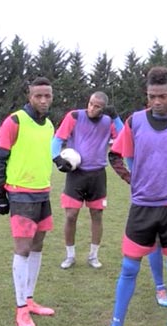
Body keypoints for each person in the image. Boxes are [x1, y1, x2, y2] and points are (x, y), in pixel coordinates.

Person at [94, 66, 167, 326]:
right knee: (129, 268)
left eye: (163, 96)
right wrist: (136, 180)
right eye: (152, 96)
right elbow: (119, 155)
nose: (157, 102)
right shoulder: (134, 122)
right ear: (147, 94)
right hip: (142, 206)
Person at [0, 77, 56, 326]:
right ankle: (20, 309)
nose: (43, 100)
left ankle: (30, 300)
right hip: (20, 194)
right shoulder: (15, 121)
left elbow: (42, 154)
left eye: (47, 96)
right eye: (38, 95)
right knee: (23, 249)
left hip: (43, 193)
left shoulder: (49, 124)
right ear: (30, 96)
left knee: (38, 246)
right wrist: (0, 194)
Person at [52, 91, 119, 269]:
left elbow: (123, 138)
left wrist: (116, 118)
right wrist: (56, 158)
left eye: (97, 106)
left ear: (103, 108)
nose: (92, 108)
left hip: (98, 175)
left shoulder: (108, 121)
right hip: (76, 175)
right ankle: (70, 255)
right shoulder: (74, 116)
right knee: (71, 215)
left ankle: (93, 256)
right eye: (90, 103)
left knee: (97, 215)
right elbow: (57, 139)